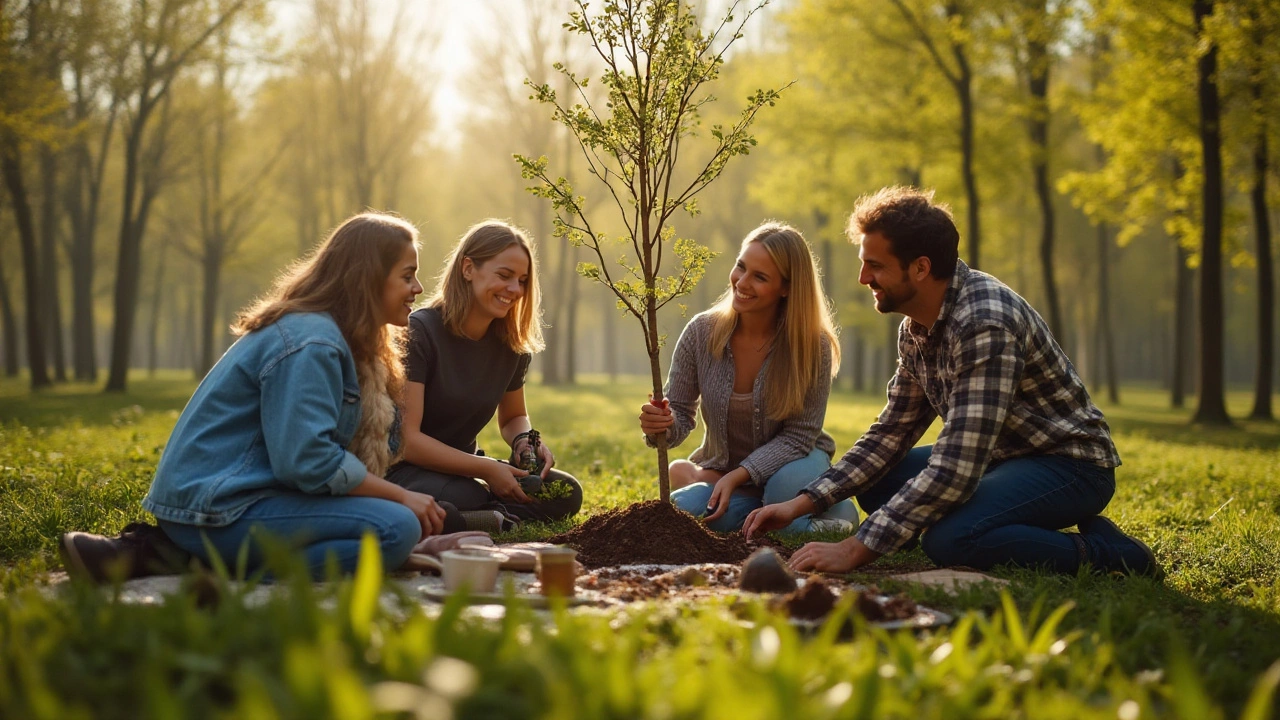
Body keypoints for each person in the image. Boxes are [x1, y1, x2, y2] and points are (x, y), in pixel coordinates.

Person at [743, 187, 1161, 578]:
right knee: (879, 486)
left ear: (921, 268)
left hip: (1068, 465)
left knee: (952, 539)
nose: (863, 278)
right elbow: (891, 434)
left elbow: (958, 466)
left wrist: (856, 548)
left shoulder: (984, 324)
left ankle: (1111, 554)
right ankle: (972, 517)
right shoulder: (917, 327)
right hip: (1000, 458)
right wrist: (801, 503)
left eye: (875, 266)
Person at [60, 212, 454, 581]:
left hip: (249, 499)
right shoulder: (312, 342)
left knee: (395, 521)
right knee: (395, 527)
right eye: (408, 276)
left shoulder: (341, 340)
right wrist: (401, 497)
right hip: (218, 509)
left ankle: (191, 555)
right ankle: (197, 561)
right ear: (368, 278)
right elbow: (310, 463)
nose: (417, 289)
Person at [638, 222, 860, 533]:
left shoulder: (813, 345)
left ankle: (837, 518)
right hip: (727, 472)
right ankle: (799, 507)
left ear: (786, 287)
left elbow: (799, 436)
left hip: (796, 460)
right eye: (741, 267)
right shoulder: (700, 333)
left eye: (760, 277)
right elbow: (680, 416)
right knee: (683, 513)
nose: (742, 282)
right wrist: (659, 424)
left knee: (779, 499)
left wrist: (738, 475)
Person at [385, 220, 583, 529]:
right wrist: (488, 469)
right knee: (469, 494)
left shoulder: (511, 346)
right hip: (404, 470)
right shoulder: (420, 333)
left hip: (467, 470)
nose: (515, 290)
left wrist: (525, 442)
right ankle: (474, 514)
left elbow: (513, 417)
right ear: (468, 268)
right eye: (504, 276)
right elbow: (408, 441)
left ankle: (477, 518)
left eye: (522, 280)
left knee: (567, 494)